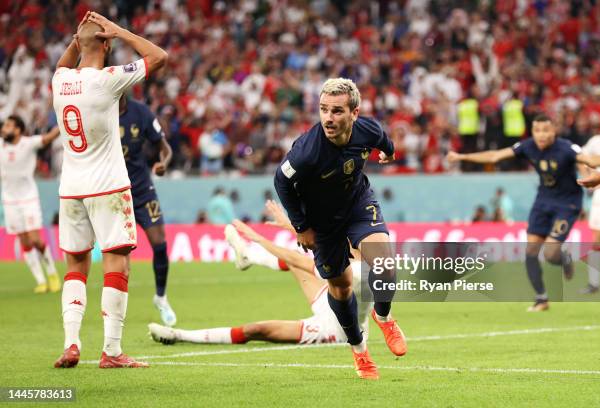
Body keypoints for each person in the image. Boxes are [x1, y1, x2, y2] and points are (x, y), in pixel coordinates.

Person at [52, 11, 167, 369]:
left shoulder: (60, 80)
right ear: (106, 43)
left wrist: (81, 38)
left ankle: (71, 343)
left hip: (71, 188)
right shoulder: (107, 80)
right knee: (117, 263)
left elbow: (64, 62)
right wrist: (119, 31)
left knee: (75, 265)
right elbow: (159, 57)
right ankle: (112, 351)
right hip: (108, 186)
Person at [274, 78, 406, 380]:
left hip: (358, 203)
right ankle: (359, 350)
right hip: (322, 222)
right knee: (341, 287)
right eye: (323, 110)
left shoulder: (367, 129)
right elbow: (281, 181)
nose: (328, 119)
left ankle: (383, 317)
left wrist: (389, 151)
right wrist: (301, 226)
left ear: (354, 113)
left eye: (336, 111)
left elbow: (383, 140)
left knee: (385, 264)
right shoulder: (307, 151)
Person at [149, 201, 374, 346]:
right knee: (300, 258)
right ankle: (248, 256)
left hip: (338, 330)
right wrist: (289, 225)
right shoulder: (357, 248)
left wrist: (259, 239)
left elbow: (300, 260)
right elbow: (319, 243)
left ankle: (179, 335)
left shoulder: (357, 272)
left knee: (256, 329)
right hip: (329, 301)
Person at [447, 114, 600, 312]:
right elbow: (494, 156)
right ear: (532, 132)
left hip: (567, 204)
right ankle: (541, 298)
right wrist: (462, 157)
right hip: (543, 201)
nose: (541, 135)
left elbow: (589, 159)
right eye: (537, 131)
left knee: (551, 253)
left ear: (554, 132)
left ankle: (563, 257)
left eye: (546, 130)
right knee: (531, 250)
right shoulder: (527, 146)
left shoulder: (566, 148)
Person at [119, 93, 176, 325]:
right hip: (114, 193)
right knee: (121, 255)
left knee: (160, 243)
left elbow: (165, 148)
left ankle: (161, 297)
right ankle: (117, 310)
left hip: (142, 190)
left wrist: (164, 164)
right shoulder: (99, 111)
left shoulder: (140, 113)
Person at [0, 115, 61, 293]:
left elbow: (49, 137)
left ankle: (52, 273)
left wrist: (65, 122)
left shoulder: (28, 143)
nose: (4, 128)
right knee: (24, 240)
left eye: (9, 126)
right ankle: (41, 281)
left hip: (29, 198)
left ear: (18, 129)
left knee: (35, 239)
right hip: (10, 200)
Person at [578, 112, 600, 294]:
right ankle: (594, 283)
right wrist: (587, 177)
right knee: (598, 238)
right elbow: (580, 158)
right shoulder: (596, 142)